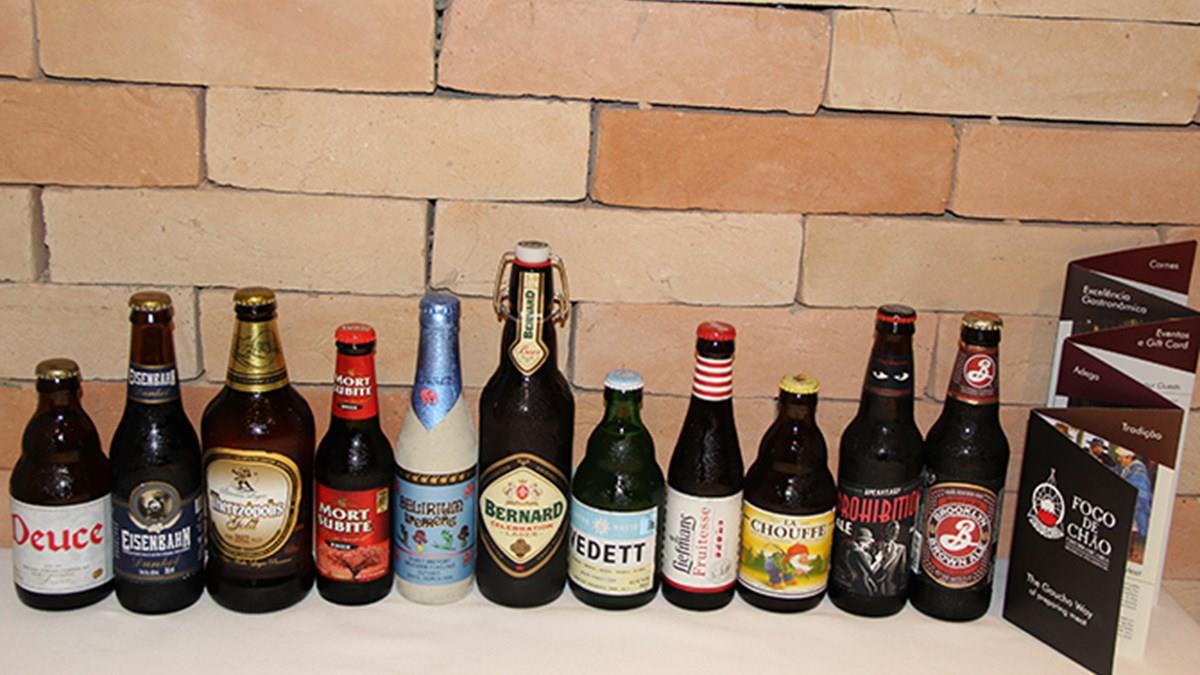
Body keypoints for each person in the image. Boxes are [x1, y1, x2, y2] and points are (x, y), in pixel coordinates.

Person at [875, 521, 906, 596]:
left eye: (897, 530)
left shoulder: (901, 549)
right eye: (892, 530)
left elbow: (902, 570)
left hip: (891, 589)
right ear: (884, 530)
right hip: (874, 588)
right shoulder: (874, 546)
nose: (895, 533)